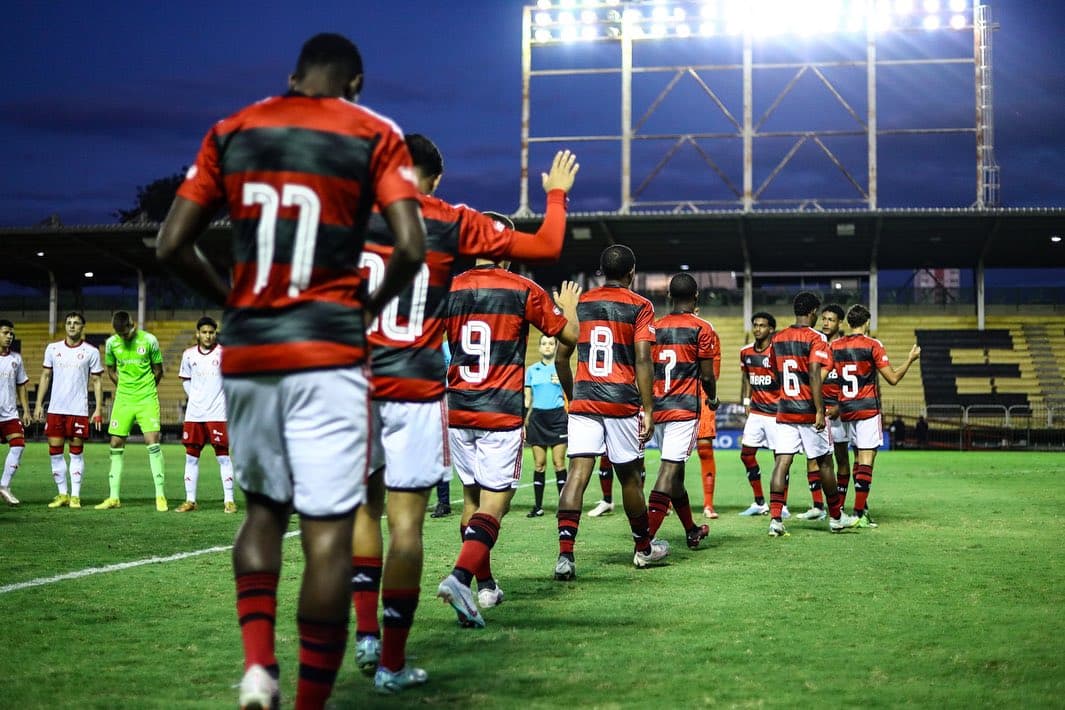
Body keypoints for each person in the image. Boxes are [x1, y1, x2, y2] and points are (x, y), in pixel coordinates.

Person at [156, 33, 427, 708]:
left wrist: (234, 301)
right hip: (328, 353)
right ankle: (307, 702)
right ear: (356, 83)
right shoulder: (374, 132)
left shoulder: (232, 129)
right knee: (328, 536)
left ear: (292, 76)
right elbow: (411, 247)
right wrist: (361, 308)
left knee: (261, 514)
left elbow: (170, 244)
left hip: (250, 350)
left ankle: (256, 666)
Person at [350, 135, 578, 687]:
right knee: (418, 524)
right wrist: (555, 194)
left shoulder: (356, 221)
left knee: (366, 512)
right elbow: (549, 256)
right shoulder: (457, 229)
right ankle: (411, 641)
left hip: (374, 391)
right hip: (453, 399)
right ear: (434, 178)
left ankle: (366, 634)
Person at [436, 253, 580, 628]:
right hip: (499, 410)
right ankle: (461, 579)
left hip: (459, 407)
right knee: (494, 506)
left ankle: (485, 585)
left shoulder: (449, 286)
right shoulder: (520, 287)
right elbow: (568, 335)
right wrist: (568, 308)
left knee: (471, 499)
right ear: (504, 253)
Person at [552, 244, 669, 580]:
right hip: (621, 401)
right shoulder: (640, 306)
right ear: (632, 272)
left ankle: (565, 556)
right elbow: (644, 359)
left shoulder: (582, 303)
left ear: (601, 271)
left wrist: (575, 396)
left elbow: (561, 358)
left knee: (577, 474)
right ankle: (642, 549)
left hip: (585, 400)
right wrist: (648, 407)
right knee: (630, 478)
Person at [766, 292, 859, 537]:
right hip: (808, 410)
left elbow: (775, 373)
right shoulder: (816, 337)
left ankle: (775, 519)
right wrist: (819, 409)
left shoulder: (778, 338)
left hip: (785, 409)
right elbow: (815, 372)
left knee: (782, 462)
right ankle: (837, 517)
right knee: (825, 462)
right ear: (813, 311)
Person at [829, 304, 920, 527]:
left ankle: (841, 511)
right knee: (866, 459)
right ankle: (859, 514)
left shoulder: (835, 346)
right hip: (867, 409)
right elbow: (893, 379)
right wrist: (910, 359)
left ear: (848, 323)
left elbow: (825, 375)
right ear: (867, 322)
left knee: (853, 460)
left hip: (845, 410)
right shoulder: (873, 345)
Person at [645, 274, 718, 549]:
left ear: (669, 296)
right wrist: (712, 398)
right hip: (683, 410)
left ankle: (691, 529)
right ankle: (645, 541)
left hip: (658, 407)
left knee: (676, 474)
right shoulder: (701, 327)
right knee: (668, 470)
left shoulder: (654, 327)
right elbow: (708, 376)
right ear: (696, 296)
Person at [94, 311, 167, 512]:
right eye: (119, 334)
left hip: (146, 398)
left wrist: (148, 388)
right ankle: (113, 497)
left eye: (125, 333)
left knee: (152, 441)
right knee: (115, 443)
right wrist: (123, 386)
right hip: (124, 399)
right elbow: (110, 370)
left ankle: (160, 495)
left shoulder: (150, 340)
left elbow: (159, 369)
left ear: (132, 325)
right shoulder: (111, 344)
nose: (122, 337)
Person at [34, 311, 104, 509]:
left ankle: (75, 496)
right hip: (56, 409)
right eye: (69, 323)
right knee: (55, 452)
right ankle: (62, 494)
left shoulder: (91, 352)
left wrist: (98, 408)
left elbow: (97, 381)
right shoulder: (53, 349)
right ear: (65, 326)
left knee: (76, 453)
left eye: (76, 323)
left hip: (78, 410)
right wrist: (39, 404)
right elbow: (45, 376)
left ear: (83, 327)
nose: (72, 326)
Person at [175, 316, 236, 513]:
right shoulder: (189, 354)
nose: (208, 336)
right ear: (197, 334)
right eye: (204, 332)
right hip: (194, 414)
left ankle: (229, 500)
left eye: (211, 332)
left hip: (218, 413)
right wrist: (195, 396)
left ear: (215, 333)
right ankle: (190, 500)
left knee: (223, 457)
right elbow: (185, 379)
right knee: (191, 457)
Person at [797, 303, 848, 522]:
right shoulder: (814, 342)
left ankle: (840, 506)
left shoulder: (844, 348)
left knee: (841, 458)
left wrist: (841, 405)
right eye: (824, 318)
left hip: (837, 411)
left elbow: (853, 379)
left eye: (831, 319)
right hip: (817, 410)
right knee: (813, 458)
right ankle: (818, 505)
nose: (826, 322)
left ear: (840, 323)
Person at [737, 312, 779, 517]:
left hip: (776, 414)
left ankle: (782, 505)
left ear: (771, 329)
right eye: (755, 325)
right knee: (746, 455)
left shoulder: (777, 352)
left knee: (780, 459)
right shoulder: (745, 352)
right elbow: (746, 378)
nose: (757, 329)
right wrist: (746, 400)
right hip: (756, 412)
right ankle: (760, 501)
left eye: (762, 325)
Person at [524, 334, 568, 517]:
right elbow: (527, 400)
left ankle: (564, 507)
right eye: (544, 343)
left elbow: (572, 394)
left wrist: (564, 385)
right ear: (540, 348)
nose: (548, 346)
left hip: (558, 418)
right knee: (539, 464)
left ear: (556, 347)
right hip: (538, 420)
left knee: (559, 463)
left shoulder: (563, 369)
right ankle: (538, 506)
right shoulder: (531, 370)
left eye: (551, 343)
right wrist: (523, 421)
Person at [692, 305, 723, 519]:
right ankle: (665, 501)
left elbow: (713, 372)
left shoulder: (709, 333)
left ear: (697, 309)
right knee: (672, 453)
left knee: (704, 449)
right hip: (673, 394)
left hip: (700, 395)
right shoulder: (665, 329)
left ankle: (708, 504)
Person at [0, 320, 31, 506]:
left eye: (11, 333)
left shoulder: (16, 359)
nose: (9, 336)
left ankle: (4, 485)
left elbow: (21, 386)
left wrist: (26, 410)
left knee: (18, 444)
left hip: (9, 413)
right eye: (5, 333)